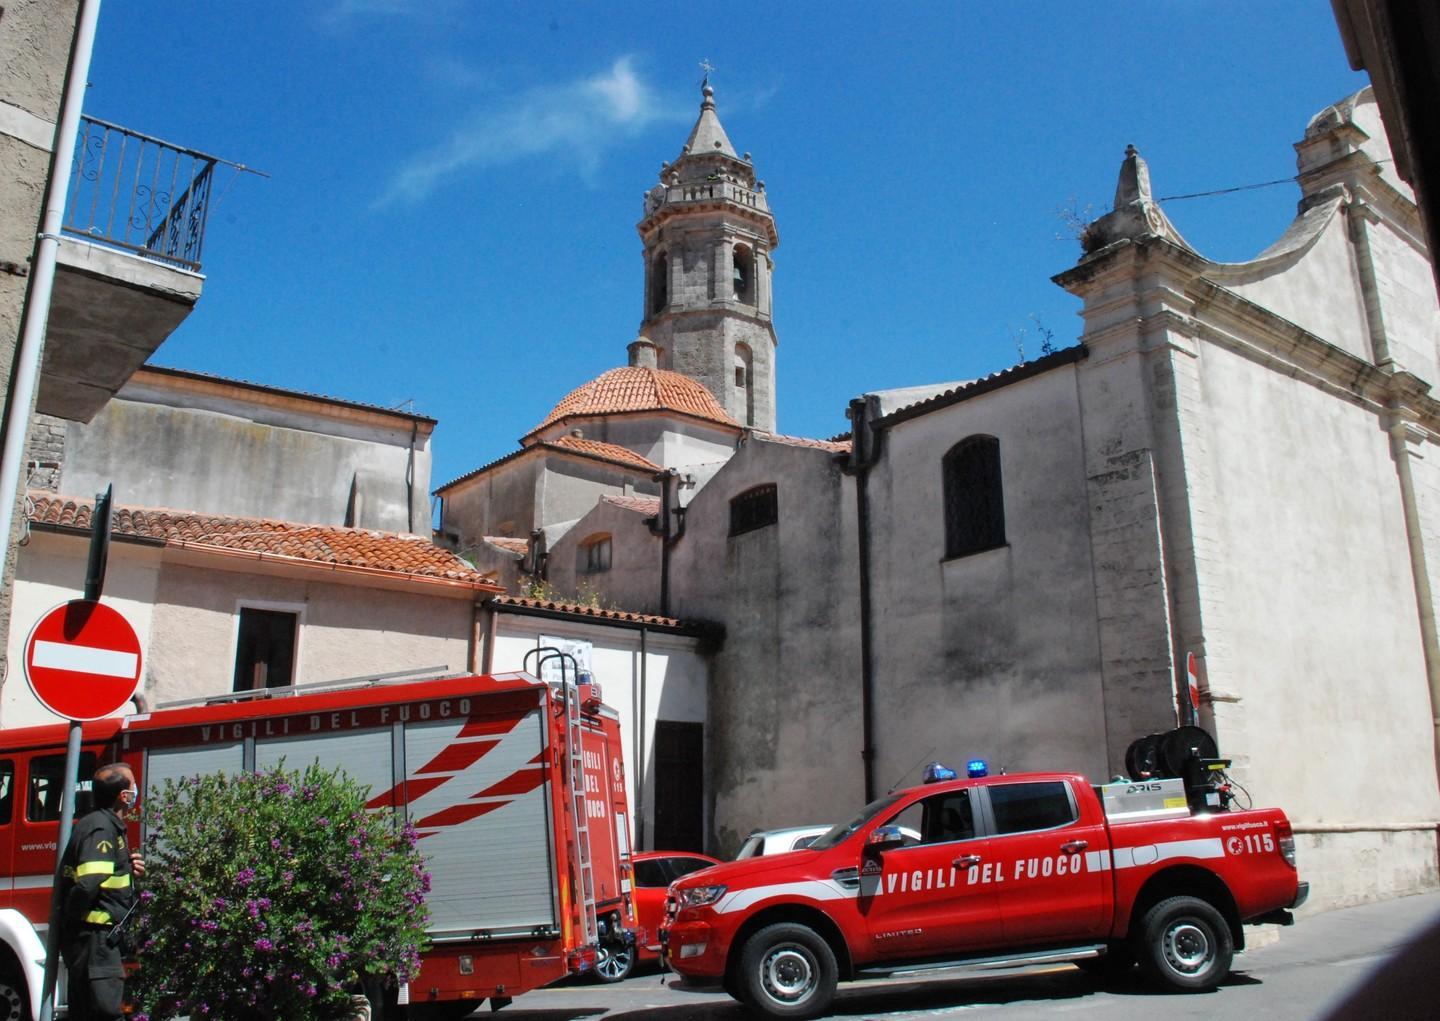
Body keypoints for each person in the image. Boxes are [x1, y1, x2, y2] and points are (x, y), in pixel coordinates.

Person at [59, 763, 145, 1021]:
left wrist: (126, 867)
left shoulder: (105, 825)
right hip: (95, 942)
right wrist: (72, 921)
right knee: (107, 1014)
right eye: (132, 786)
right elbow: (89, 882)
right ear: (123, 795)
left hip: (100, 941)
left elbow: (101, 874)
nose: (135, 791)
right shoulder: (100, 828)